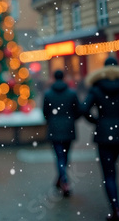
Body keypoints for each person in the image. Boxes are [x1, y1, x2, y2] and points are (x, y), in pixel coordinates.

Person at [82, 57, 119, 221]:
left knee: (109, 175)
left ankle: (116, 208)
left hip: (104, 134)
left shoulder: (96, 88)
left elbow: (84, 109)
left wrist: (97, 121)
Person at [42, 69, 81, 197]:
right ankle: (63, 180)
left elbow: (45, 113)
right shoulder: (71, 93)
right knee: (66, 155)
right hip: (68, 128)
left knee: (59, 156)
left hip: (54, 128)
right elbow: (78, 110)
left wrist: (52, 120)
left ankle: (63, 180)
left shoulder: (48, 94)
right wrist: (70, 119)